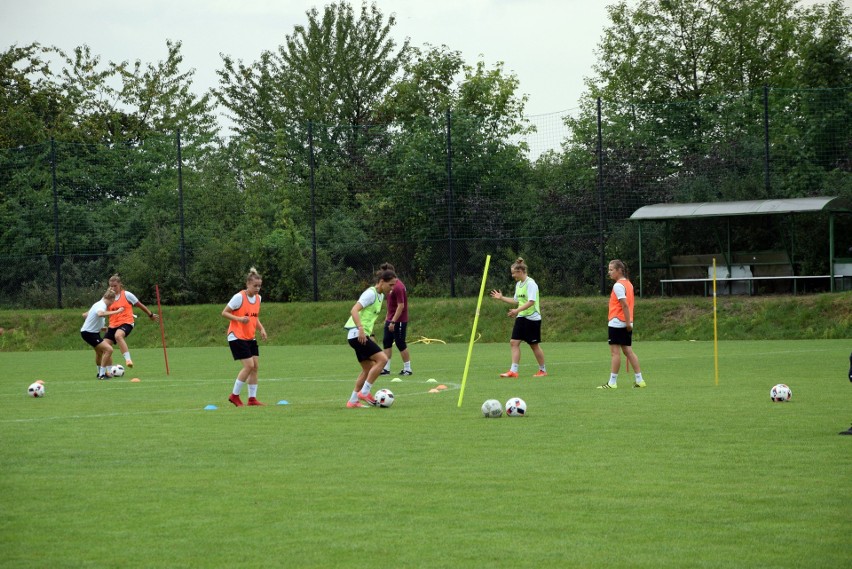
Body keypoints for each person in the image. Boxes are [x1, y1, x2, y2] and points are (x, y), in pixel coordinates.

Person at [344, 269, 397, 408]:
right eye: (390, 285)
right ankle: (365, 392)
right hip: (357, 334)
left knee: (368, 368)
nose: (392, 288)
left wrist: (370, 335)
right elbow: (354, 310)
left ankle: (352, 401)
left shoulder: (380, 296)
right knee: (383, 359)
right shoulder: (370, 293)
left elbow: (368, 317)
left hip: (359, 335)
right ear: (381, 282)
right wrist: (361, 329)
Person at [489, 257, 547, 378]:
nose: (512, 275)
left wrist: (516, 310)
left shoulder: (531, 284)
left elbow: (531, 302)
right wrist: (502, 298)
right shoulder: (518, 284)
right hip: (521, 317)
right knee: (514, 342)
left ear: (520, 271)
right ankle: (513, 371)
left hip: (532, 318)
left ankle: (542, 370)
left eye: (513, 273)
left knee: (534, 345)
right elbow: (516, 300)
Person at [222, 267, 268, 407]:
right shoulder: (239, 297)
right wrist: (240, 319)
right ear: (248, 284)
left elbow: (255, 317)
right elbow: (224, 313)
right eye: (255, 286)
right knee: (249, 365)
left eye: (259, 286)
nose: (257, 288)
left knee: (255, 367)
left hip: (250, 337)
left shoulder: (258, 298)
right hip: (236, 336)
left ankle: (252, 399)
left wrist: (261, 329)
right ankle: (234, 395)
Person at [598, 259, 646, 389]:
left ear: (619, 270)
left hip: (617, 322)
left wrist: (627, 322)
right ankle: (640, 380)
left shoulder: (618, 285)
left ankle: (612, 382)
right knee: (628, 351)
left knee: (615, 353)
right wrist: (629, 321)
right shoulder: (628, 284)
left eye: (611, 269)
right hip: (625, 321)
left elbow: (624, 304)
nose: (609, 272)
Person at [104, 274, 159, 368]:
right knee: (105, 347)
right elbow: (102, 311)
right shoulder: (107, 297)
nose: (113, 288)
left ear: (120, 284)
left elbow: (140, 305)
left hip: (126, 322)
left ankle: (128, 360)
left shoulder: (127, 295)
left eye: (115, 286)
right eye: (111, 286)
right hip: (112, 325)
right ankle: (109, 371)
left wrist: (150, 314)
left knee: (118, 335)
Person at [80, 288, 124, 379]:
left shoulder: (98, 303)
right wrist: (117, 311)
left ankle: (99, 372)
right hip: (89, 333)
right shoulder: (102, 305)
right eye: (113, 301)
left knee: (99, 353)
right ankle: (102, 375)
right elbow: (100, 314)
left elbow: (85, 315)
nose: (112, 303)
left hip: (90, 332)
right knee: (109, 350)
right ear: (111, 299)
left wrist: (101, 328)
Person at [378, 262, 413, 376]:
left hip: (399, 320)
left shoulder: (398, 287)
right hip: (390, 318)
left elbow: (401, 306)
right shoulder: (388, 286)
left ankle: (407, 369)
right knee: (386, 342)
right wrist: (387, 317)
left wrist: (393, 321)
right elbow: (390, 304)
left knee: (400, 342)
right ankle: (386, 368)